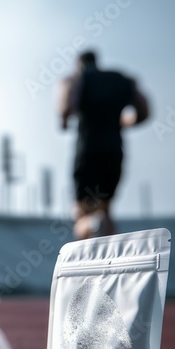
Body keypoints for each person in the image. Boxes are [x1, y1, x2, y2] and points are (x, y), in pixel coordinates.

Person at [58, 50, 149, 240]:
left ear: (79, 64)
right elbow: (144, 110)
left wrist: (65, 119)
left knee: (82, 211)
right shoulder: (119, 79)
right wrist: (125, 122)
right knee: (105, 208)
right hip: (114, 152)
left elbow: (66, 107)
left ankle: (91, 226)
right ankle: (108, 248)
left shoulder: (77, 79)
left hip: (88, 151)